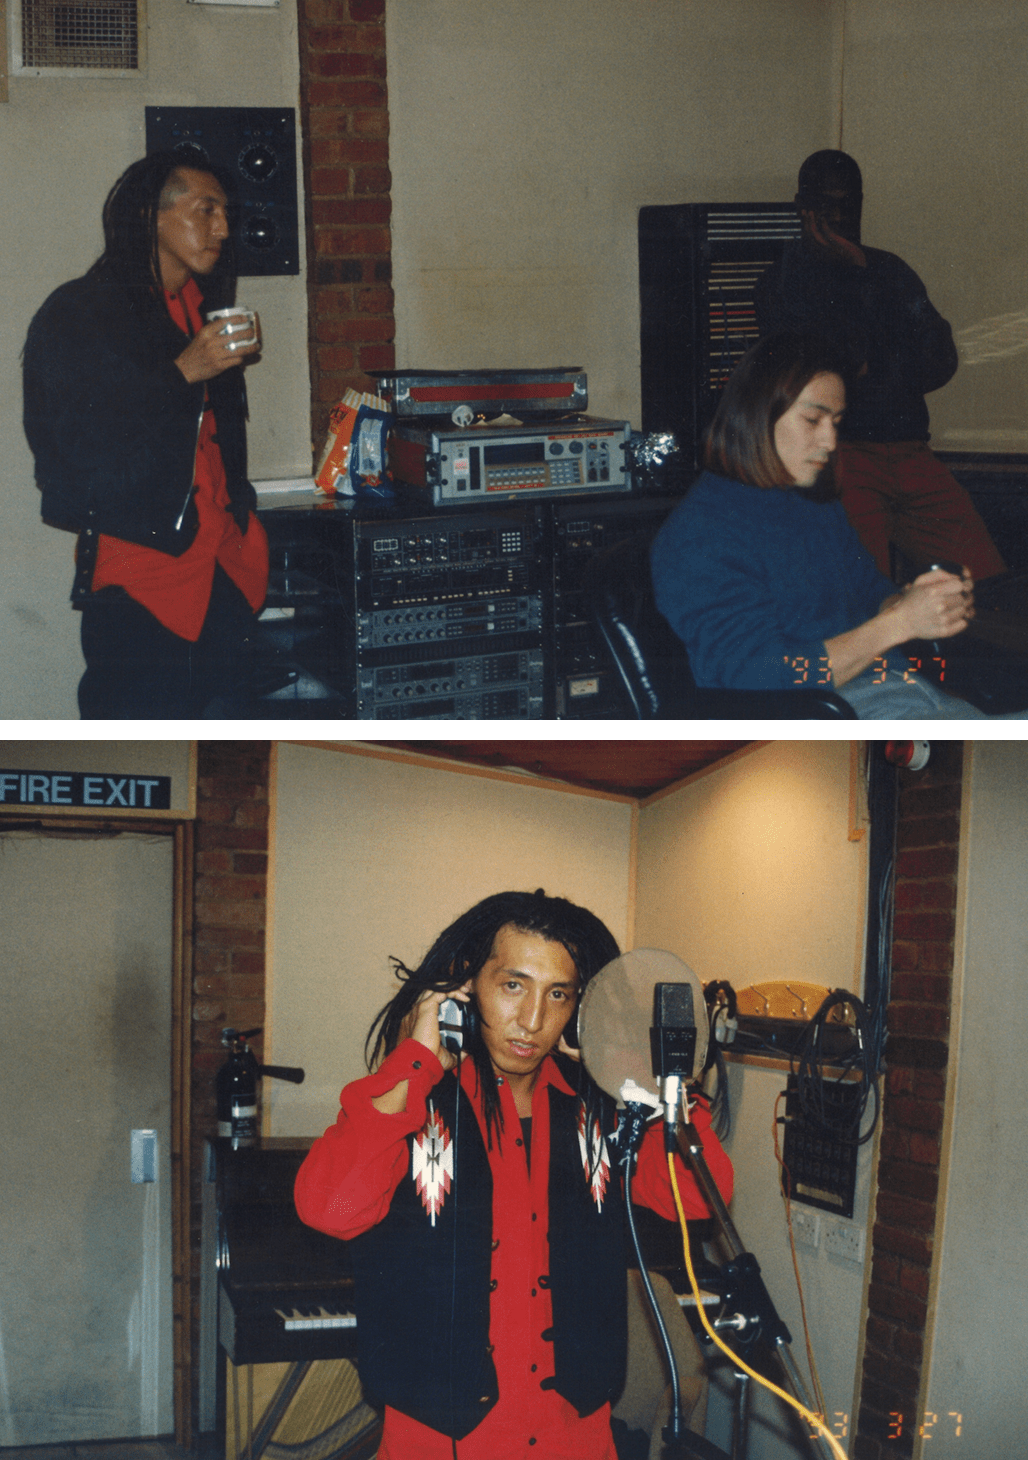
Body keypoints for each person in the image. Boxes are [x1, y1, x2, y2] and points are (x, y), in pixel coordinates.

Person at [294, 889, 733, 1460]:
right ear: (465, 987)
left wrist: (640, 1078)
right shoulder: (415, 1101)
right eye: (513, 986)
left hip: (575, 1439)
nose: (532, 1021)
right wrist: (416, 1062)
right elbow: (329, 1209)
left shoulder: (603, 1109)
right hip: (439, 1442)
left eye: (558, 994)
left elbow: (699, 1198)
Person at [650, 332, 1028, 719]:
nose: (830, 441)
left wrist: (920, 602)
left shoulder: (812, 503)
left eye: (836, 421)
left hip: (910, 691)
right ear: (756, 414)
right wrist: (898, 624)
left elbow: (869, 591)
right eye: (813, 420)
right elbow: (756, 674)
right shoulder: (702, 534)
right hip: (837, 712)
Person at [23, 152, 275, 719]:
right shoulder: (79, 312)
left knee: (226, 733)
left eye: (225, 213)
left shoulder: (203, 309)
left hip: (226, 572)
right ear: (148, 216)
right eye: (205, 210)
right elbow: (70, 448)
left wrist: (242, 519)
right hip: (141, 583)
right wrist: (181, 373)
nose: (223, 229)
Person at [754, 149, 1006, 586]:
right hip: (843, 456)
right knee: (864, 592)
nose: (839, 217)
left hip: (911, 450)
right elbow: (841, 365)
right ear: (803, 207)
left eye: (849, 204)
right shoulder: (781, 283)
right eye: (827, 204)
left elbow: (941, 359)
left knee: (983, 582)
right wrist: (853, 284)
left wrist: (877, 361)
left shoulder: (889, 270)